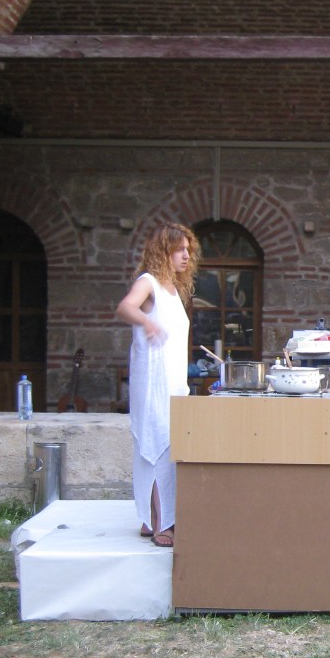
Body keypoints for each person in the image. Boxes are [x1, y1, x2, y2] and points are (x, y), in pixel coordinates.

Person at [115, 223, 200, 548]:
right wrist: (146, 322)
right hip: (152, 383)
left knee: (167, 447)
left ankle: (150, 518)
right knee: (157, 446)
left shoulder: (174, 291)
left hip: (173, 382)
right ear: (163, 251)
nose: (186, 256)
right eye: (180, 250)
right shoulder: (147, 282)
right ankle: (162, 523)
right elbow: (125, 307)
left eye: (188, 250)